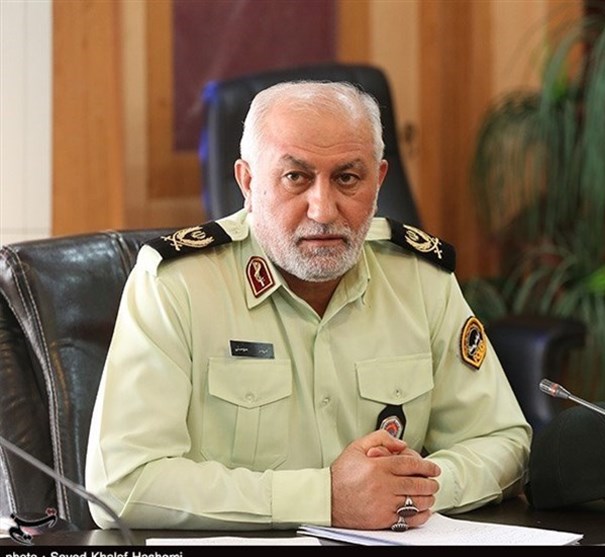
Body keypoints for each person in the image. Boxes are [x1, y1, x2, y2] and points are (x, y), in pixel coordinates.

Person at [84, 80, 532, 531]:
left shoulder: (419, 278)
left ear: (378, 181)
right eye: (296, 178)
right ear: (248, 182)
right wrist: (325, 499)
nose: (323, 210)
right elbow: (122, 482)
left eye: (347, 178)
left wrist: (410, 491)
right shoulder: (176, 285)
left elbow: (502, 440)